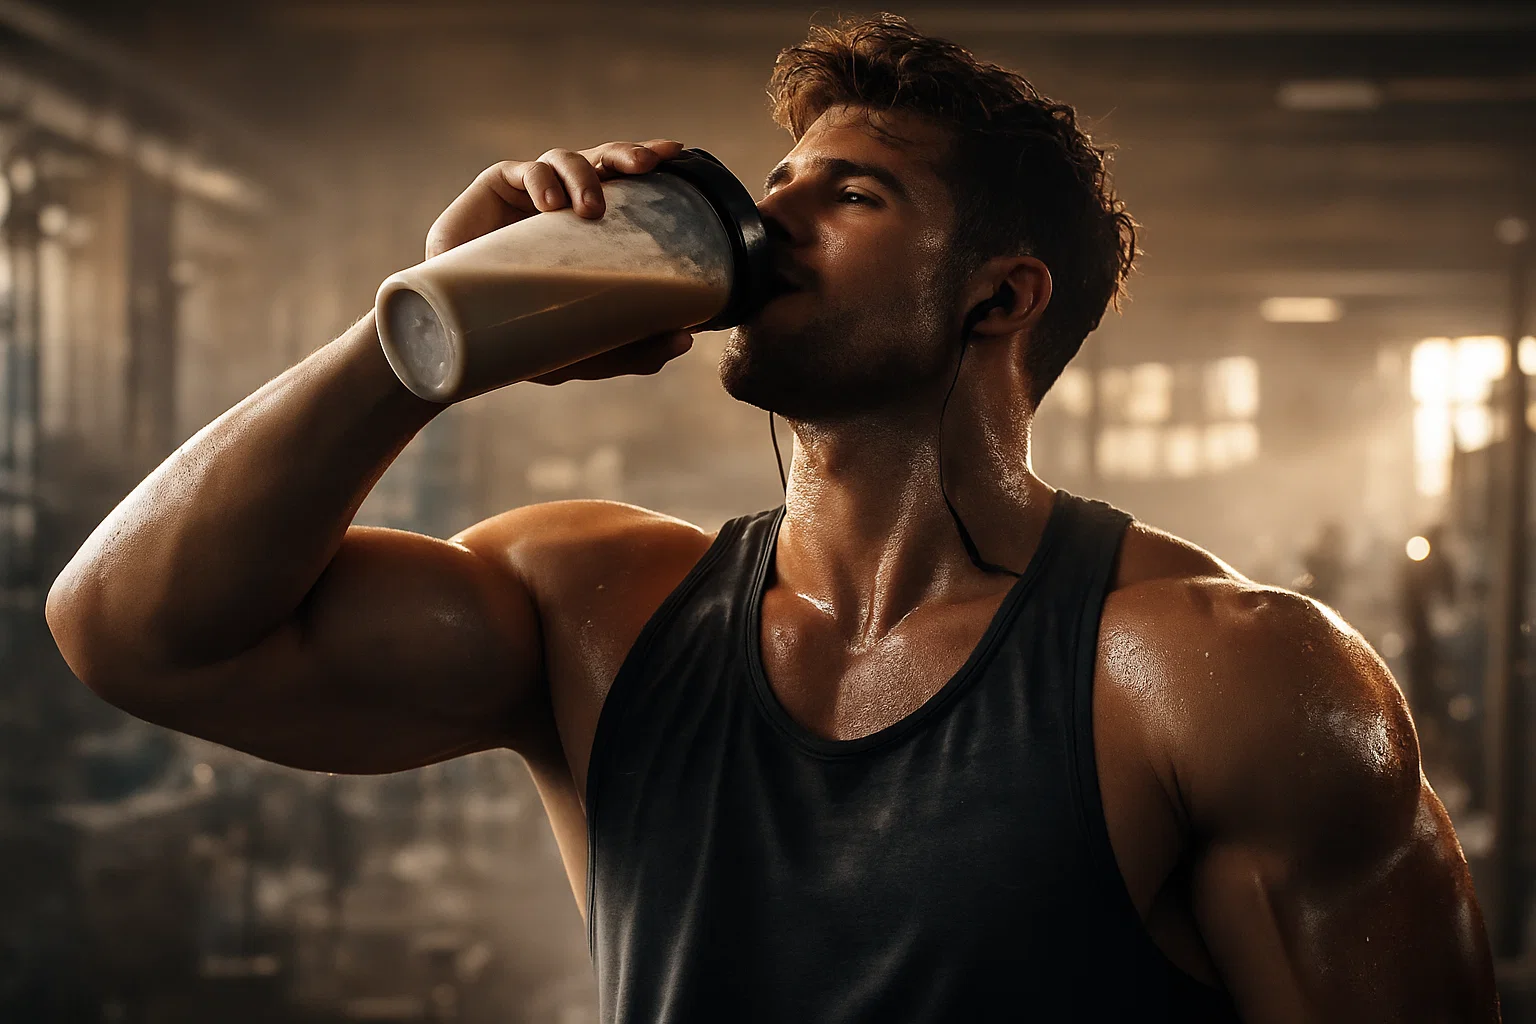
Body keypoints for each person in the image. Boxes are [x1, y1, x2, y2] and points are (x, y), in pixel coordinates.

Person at [45, 14, 1497, 1022]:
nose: (766, 224)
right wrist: (427, 335)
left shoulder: (1215, 674)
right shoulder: (595, 610)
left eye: (846, 195)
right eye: (776, 186)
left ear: (999, 295)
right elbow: (133, 633)